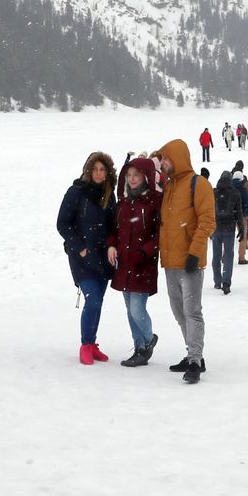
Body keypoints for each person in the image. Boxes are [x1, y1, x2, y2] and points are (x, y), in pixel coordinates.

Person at [153, 139, 216, 384]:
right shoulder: (168, 186)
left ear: (177, 158)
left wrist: (194, 253)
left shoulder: (198, 184)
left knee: (192, 311)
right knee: (179, 312)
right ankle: (193, 354)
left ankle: (195, 361)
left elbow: (207, 221)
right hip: (170, 262)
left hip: (190, 262)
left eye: (166, 159)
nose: (163, 164)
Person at [56, 152, 116, 365]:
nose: (99, 174)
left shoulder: (109, 194)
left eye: (102, 170)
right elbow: (62, 224)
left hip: (102, 257)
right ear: (88, 170)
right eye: (95, 169)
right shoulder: (76, 192)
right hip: (81, 258)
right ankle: (85, 345)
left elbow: (112, 226)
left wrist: (111, 244)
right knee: (93, 299)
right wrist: (80, 247)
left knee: (98, 302)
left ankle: (92, 343)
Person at [108, 156, 161, 367]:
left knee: (137, 310)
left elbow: (160, 234)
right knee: (129, 310)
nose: (131, 179)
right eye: (128, 175)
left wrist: (144, 252)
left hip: (142, 266)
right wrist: (111, 245)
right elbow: (113, 230)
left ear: (145, 176)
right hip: (124, 265)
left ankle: (148, 340)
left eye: (136, 175)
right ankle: (139, 348)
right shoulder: (123, 202)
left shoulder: (155, 201)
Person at [211, 170, 241, 294]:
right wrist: (242, 228)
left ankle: (217, 281)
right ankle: (226, 282)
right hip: (229, 228)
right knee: (228, 255)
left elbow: (209, 210)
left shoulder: (213, 192)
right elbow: (239, 212)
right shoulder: (235, 193)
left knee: (216, 255)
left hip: (216, 227)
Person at [231, 160, 248, 264]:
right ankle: (241, 257)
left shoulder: (229, 188)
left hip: (230, 215)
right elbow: (246, 203)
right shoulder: (242, 189)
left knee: (229, 236)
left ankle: (224, 256)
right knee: (243, 236)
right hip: (241, 216)